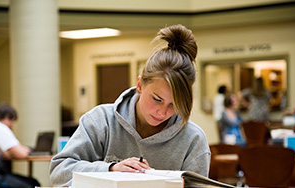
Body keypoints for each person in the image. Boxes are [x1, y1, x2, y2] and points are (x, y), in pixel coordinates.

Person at [49, 25, 210, 186]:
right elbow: (59, 172)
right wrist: (110, 170)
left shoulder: (193, 140)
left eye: (173, 105)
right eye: (157, 99)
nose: (162, 112)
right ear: (139, 85)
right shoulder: (101, 121)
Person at [0, 103, 40, 188]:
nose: (12, 126)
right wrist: (27, 149)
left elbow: (5, 155)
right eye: (12, 122)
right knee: (32, 184)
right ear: (7, 118)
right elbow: (21, 154)